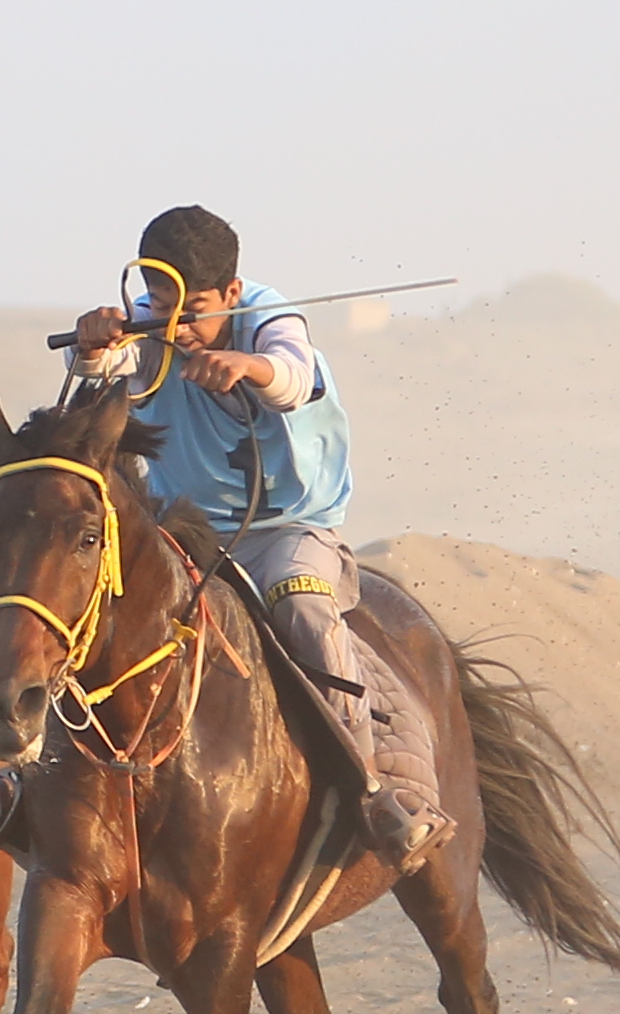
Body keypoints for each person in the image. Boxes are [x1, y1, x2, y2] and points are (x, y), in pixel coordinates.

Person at [52, 205, 448, 865]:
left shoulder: (269, 318)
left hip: (286, 530)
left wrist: (247, 365)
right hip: (184, 530)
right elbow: (99, 383)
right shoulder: (149, 326)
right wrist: (93, 349)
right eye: (160, 305)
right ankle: (28, 776)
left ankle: (370, 787)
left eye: (193, 310)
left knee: (302, 604)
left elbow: (291, 378)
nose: (174, 324)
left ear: (231, 292)